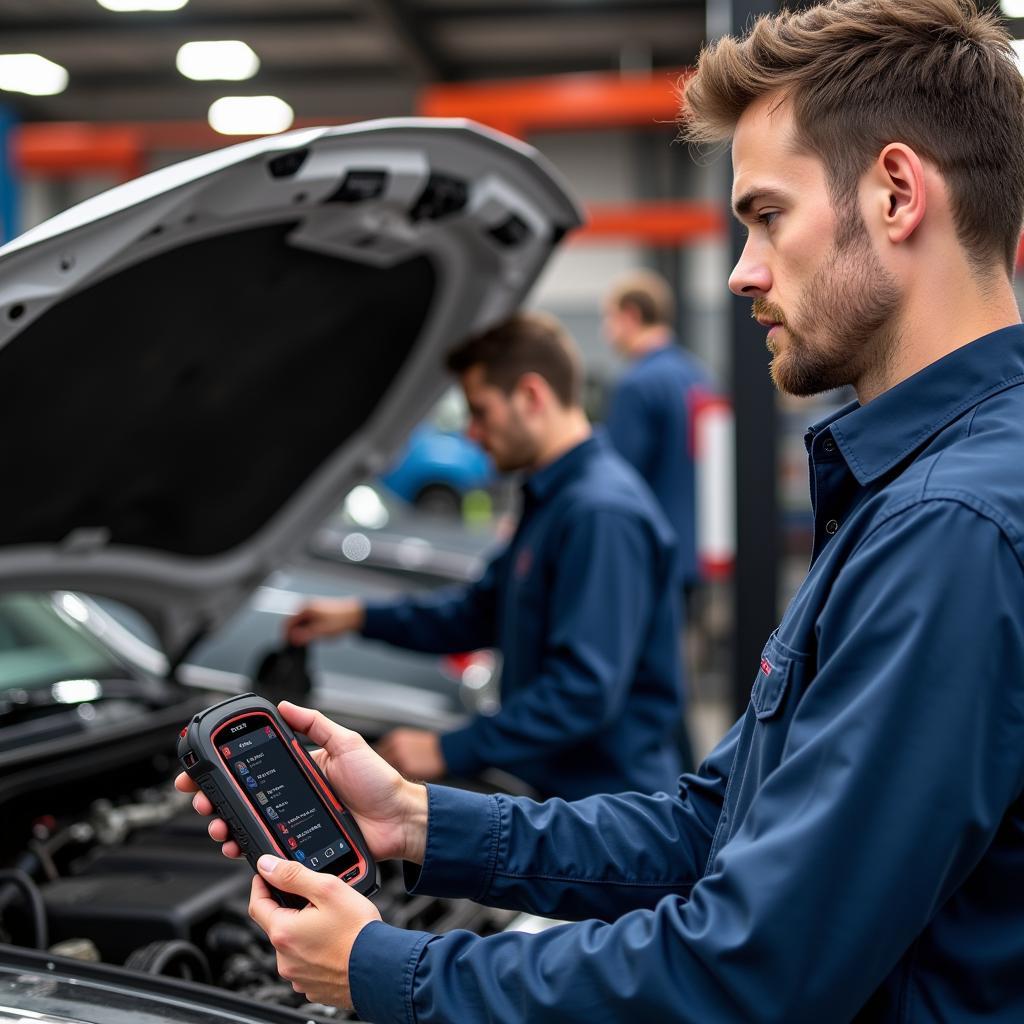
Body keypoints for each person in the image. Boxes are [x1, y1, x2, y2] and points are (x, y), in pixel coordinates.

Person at [178, 0, 1024, 1018]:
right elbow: (718, 827)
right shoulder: (924, 493)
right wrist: (414, 819)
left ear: (895, 193)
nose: (742, 271)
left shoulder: (950, 528)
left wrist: (388, 973)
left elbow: (751, 968)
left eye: (765, 215)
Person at [285, 311, 684, 800]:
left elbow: (583, 691)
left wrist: (448, 750)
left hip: (607, 814)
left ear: (531, 396)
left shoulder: (601, 513)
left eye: (480, 411)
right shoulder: (556, 500)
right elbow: (480, 612)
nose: (471, 432)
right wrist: (358, 617)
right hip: (562, 796)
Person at [602, 269, 716, 594]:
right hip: (696, 550)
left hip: (651, 554)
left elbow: (620, 478)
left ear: (630, 315)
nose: (606, 331)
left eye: (608, 318)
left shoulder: (636, 385)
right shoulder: (698, 376)